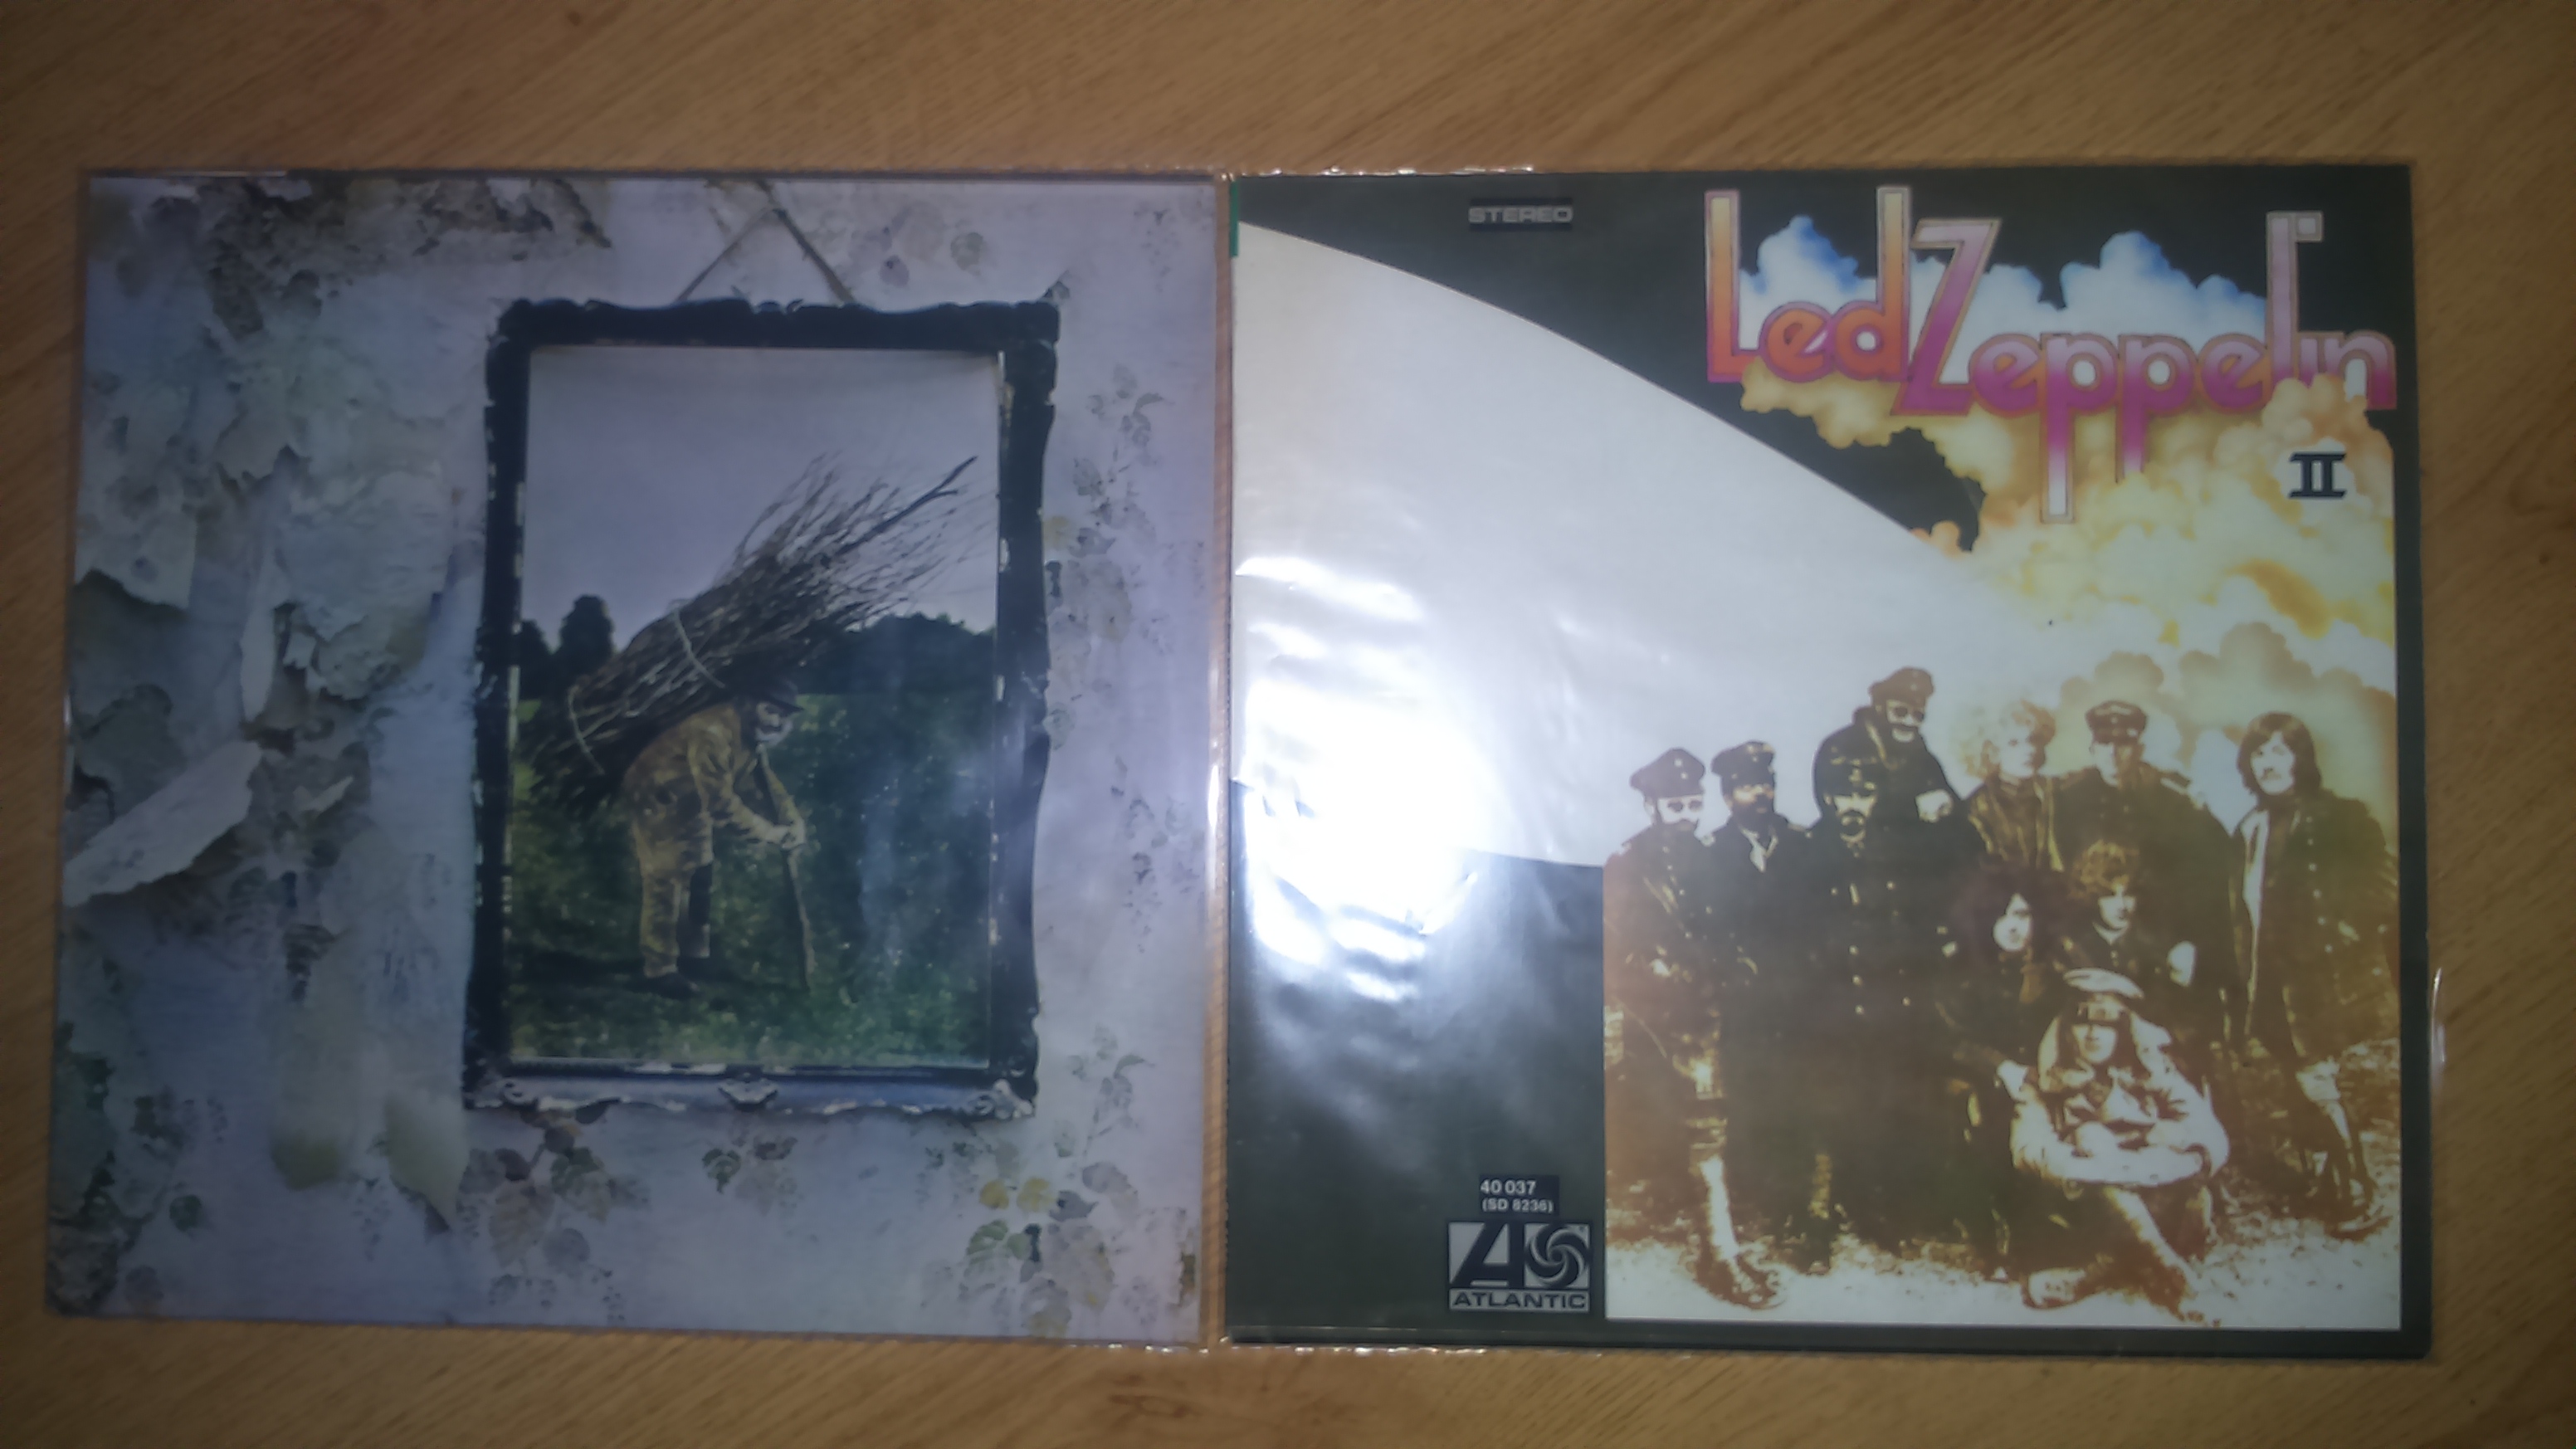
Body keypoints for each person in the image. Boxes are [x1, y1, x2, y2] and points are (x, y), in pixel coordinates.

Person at [1603, 748, 1777, 1308]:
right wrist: (1653, 973)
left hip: (1714, 1005)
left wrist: (1740, 966)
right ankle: (1720, 1255)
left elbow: (1738, 929)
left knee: (1725, 1113)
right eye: (1675, 806)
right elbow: (1609, 952)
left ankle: (1723, 1227)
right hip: (1660, 1017)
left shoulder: (1713, 857)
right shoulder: (1625, 864)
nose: (1687, 817)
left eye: (1694, 805)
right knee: (1703, 1123)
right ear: (1651, 806)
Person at [2230, 711, 2398, 1237]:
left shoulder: (2337, 817)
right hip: (2268, 983)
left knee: (2315, 1077)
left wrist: (2342, 934)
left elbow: (2383, 886)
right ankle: (2327, 1183)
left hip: (2317, 982)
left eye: (2280, 752)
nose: (2269, 764)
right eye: (2260, 753)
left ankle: (2361, 1193)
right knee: (2293, 1075)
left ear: (2300, 759)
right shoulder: (2250, 828)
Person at [1792, 745, 1954, 1261]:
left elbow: (1914, 925)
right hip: (1827, 1010)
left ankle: (1877, 1208)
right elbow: (1789, 936)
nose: (1854, 804)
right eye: (1843, 794)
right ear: (1826, 797)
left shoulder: (1896, 851)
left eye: (1864, 793)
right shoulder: (1803, 854)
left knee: (1884, 1106)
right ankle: (1818, 1216)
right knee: (1827, 1110)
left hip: (1887, 1005)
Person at [2003, 971, 2228, 1317]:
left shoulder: (2151, 1072)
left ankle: (2098, 1272)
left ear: (2123, 1029)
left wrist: (2171, 1144)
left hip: (2159, 1193)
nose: (2094, 1034)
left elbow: (2209, 1133)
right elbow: (2029, 1149)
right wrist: (2099, 1166)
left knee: (2184, 1172)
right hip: (2088, 1206)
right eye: (2083, 1022)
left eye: (2106, 1024)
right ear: (2066, 1028)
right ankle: (2174, 1273)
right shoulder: (2040, 1081)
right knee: (2092, 1139)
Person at [1699, 741, 1832, 1269]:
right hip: (1745, 1008)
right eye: (1747, 786)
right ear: (1728, 796)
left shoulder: (1802, 844)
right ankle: (1758, 1202)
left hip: (1800, 1002)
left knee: (1801, 1101)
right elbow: (1706, 931)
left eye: (1766, 784)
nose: (1760, 794)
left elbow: (1822, 917)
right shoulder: (1711, 854)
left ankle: (1800, 1213)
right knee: (1752, 1100)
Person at [621, 676, 808, 1000]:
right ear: (746, 703)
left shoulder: (749, 735)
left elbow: (763, 783)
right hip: (658, 796)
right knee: (666, 879)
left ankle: (694, 957)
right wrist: (771, 834)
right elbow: (721, 806)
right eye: (771, 711)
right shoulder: (712, 734)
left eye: (784, 715)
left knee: (700, 875)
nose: (777, 722)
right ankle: (659, 969)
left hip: (693, 799)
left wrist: (793, 821)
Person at [2053, 700, 2239, 1025]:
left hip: (2159, 939)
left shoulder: (2172, 799)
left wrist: (2189, 940)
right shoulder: (2067, 799)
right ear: (2092, 748)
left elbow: (2206, 875)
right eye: (2104, 744)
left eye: (2123, 744)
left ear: (2139, 749)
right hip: (2090, 939)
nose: (2113, 754)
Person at [1934, 865, 2064, 1275]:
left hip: (2040, 1078)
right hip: (1980, 1078)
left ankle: (2042, 1225)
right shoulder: (1960, 971)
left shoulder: (2049, 970)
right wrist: (2001, 1067)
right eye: (2001, 915)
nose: (2013, 927)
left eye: (2022, 915)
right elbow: (1951, 1040)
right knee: (1985, 1122)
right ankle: (1990, 1232)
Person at [2056, 841, 2221, 1081]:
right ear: (2092, 897)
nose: (2122, 906)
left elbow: (2177, 1016)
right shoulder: (2074, 944)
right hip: (2089, 1058)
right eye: (2110, 896)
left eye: (2129, 894)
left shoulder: (2154, 944)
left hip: (2149, 1058)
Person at [1811, 667, 1965, 861]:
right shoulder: (1844, 747)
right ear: (1879, 707)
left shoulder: (1923, 758)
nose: (1909, 722)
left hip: (1909, 857)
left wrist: (1947, 805)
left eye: (1918, 716)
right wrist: (1913, 810)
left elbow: (1956, 806)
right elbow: (1845, 810)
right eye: (1900, 712)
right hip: (1856, 854)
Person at [1959, 700, 2065, 873]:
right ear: (1993, 752)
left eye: (2033, 740)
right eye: (2014, 743)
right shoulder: (1977, 807)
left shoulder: (2055, 792)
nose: (2029, 750)